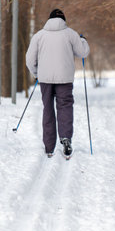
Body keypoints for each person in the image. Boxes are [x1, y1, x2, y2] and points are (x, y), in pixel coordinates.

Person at [26, 9, 90, 159]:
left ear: (49, 20)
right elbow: (83, 53)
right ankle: (66, 139)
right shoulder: (71, 34)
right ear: (63, 20)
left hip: (45, 79)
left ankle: (49, 147)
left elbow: (29, 59)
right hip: (65, 79)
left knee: (47, 109)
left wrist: (37, 74)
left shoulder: (39, 36)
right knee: (65, 107)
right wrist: (83, 40)